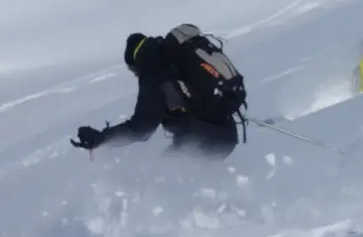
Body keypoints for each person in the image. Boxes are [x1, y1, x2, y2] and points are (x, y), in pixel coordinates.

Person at [72, 28, 244, 158]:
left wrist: (100, 138)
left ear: (135, 62)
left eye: (133, 70)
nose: (135, 74)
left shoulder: (155, 73)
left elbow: (141, 128)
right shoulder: (172, 61)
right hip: (224, 132)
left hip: (202, 140)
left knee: (162, 180)